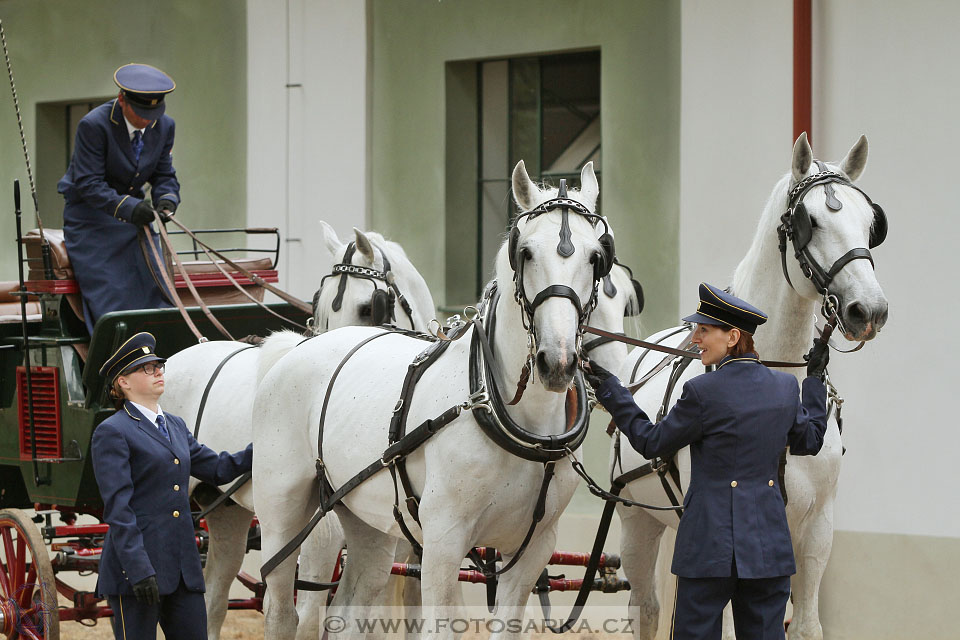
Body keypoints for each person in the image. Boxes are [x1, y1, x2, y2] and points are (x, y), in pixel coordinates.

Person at [585, 283, 830, 640]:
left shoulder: (702, 392)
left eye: (704, 330)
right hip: (768, 549)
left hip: (707, 550)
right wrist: (815, 382)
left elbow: (651, 442)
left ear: (732, 337)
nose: (695, 338)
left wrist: (614, 391)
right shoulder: (785, 388)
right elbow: (810, 441)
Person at [91, 332, 252, 640]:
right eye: (146, 368)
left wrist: (262, 448)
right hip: (136, 572)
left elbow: (217, 468)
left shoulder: (175, 425)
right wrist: (138, 569)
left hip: (183, 570)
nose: (158, 371)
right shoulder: (112, 432)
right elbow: (119, 509)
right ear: (123, 383)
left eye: (158, 365)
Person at [58, 63, 181, 333]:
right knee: (113, 297)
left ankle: (155, 354)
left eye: (154, 113)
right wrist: (130, 208)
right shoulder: (94, 125)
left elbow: (164, 174)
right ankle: (118, 355)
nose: (147, 120)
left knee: (156, 291)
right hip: (91, 220)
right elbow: (88, 184)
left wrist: (167, 200)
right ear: (122, 100)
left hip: (133, 219)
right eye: (141, 113)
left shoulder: (164, 126)